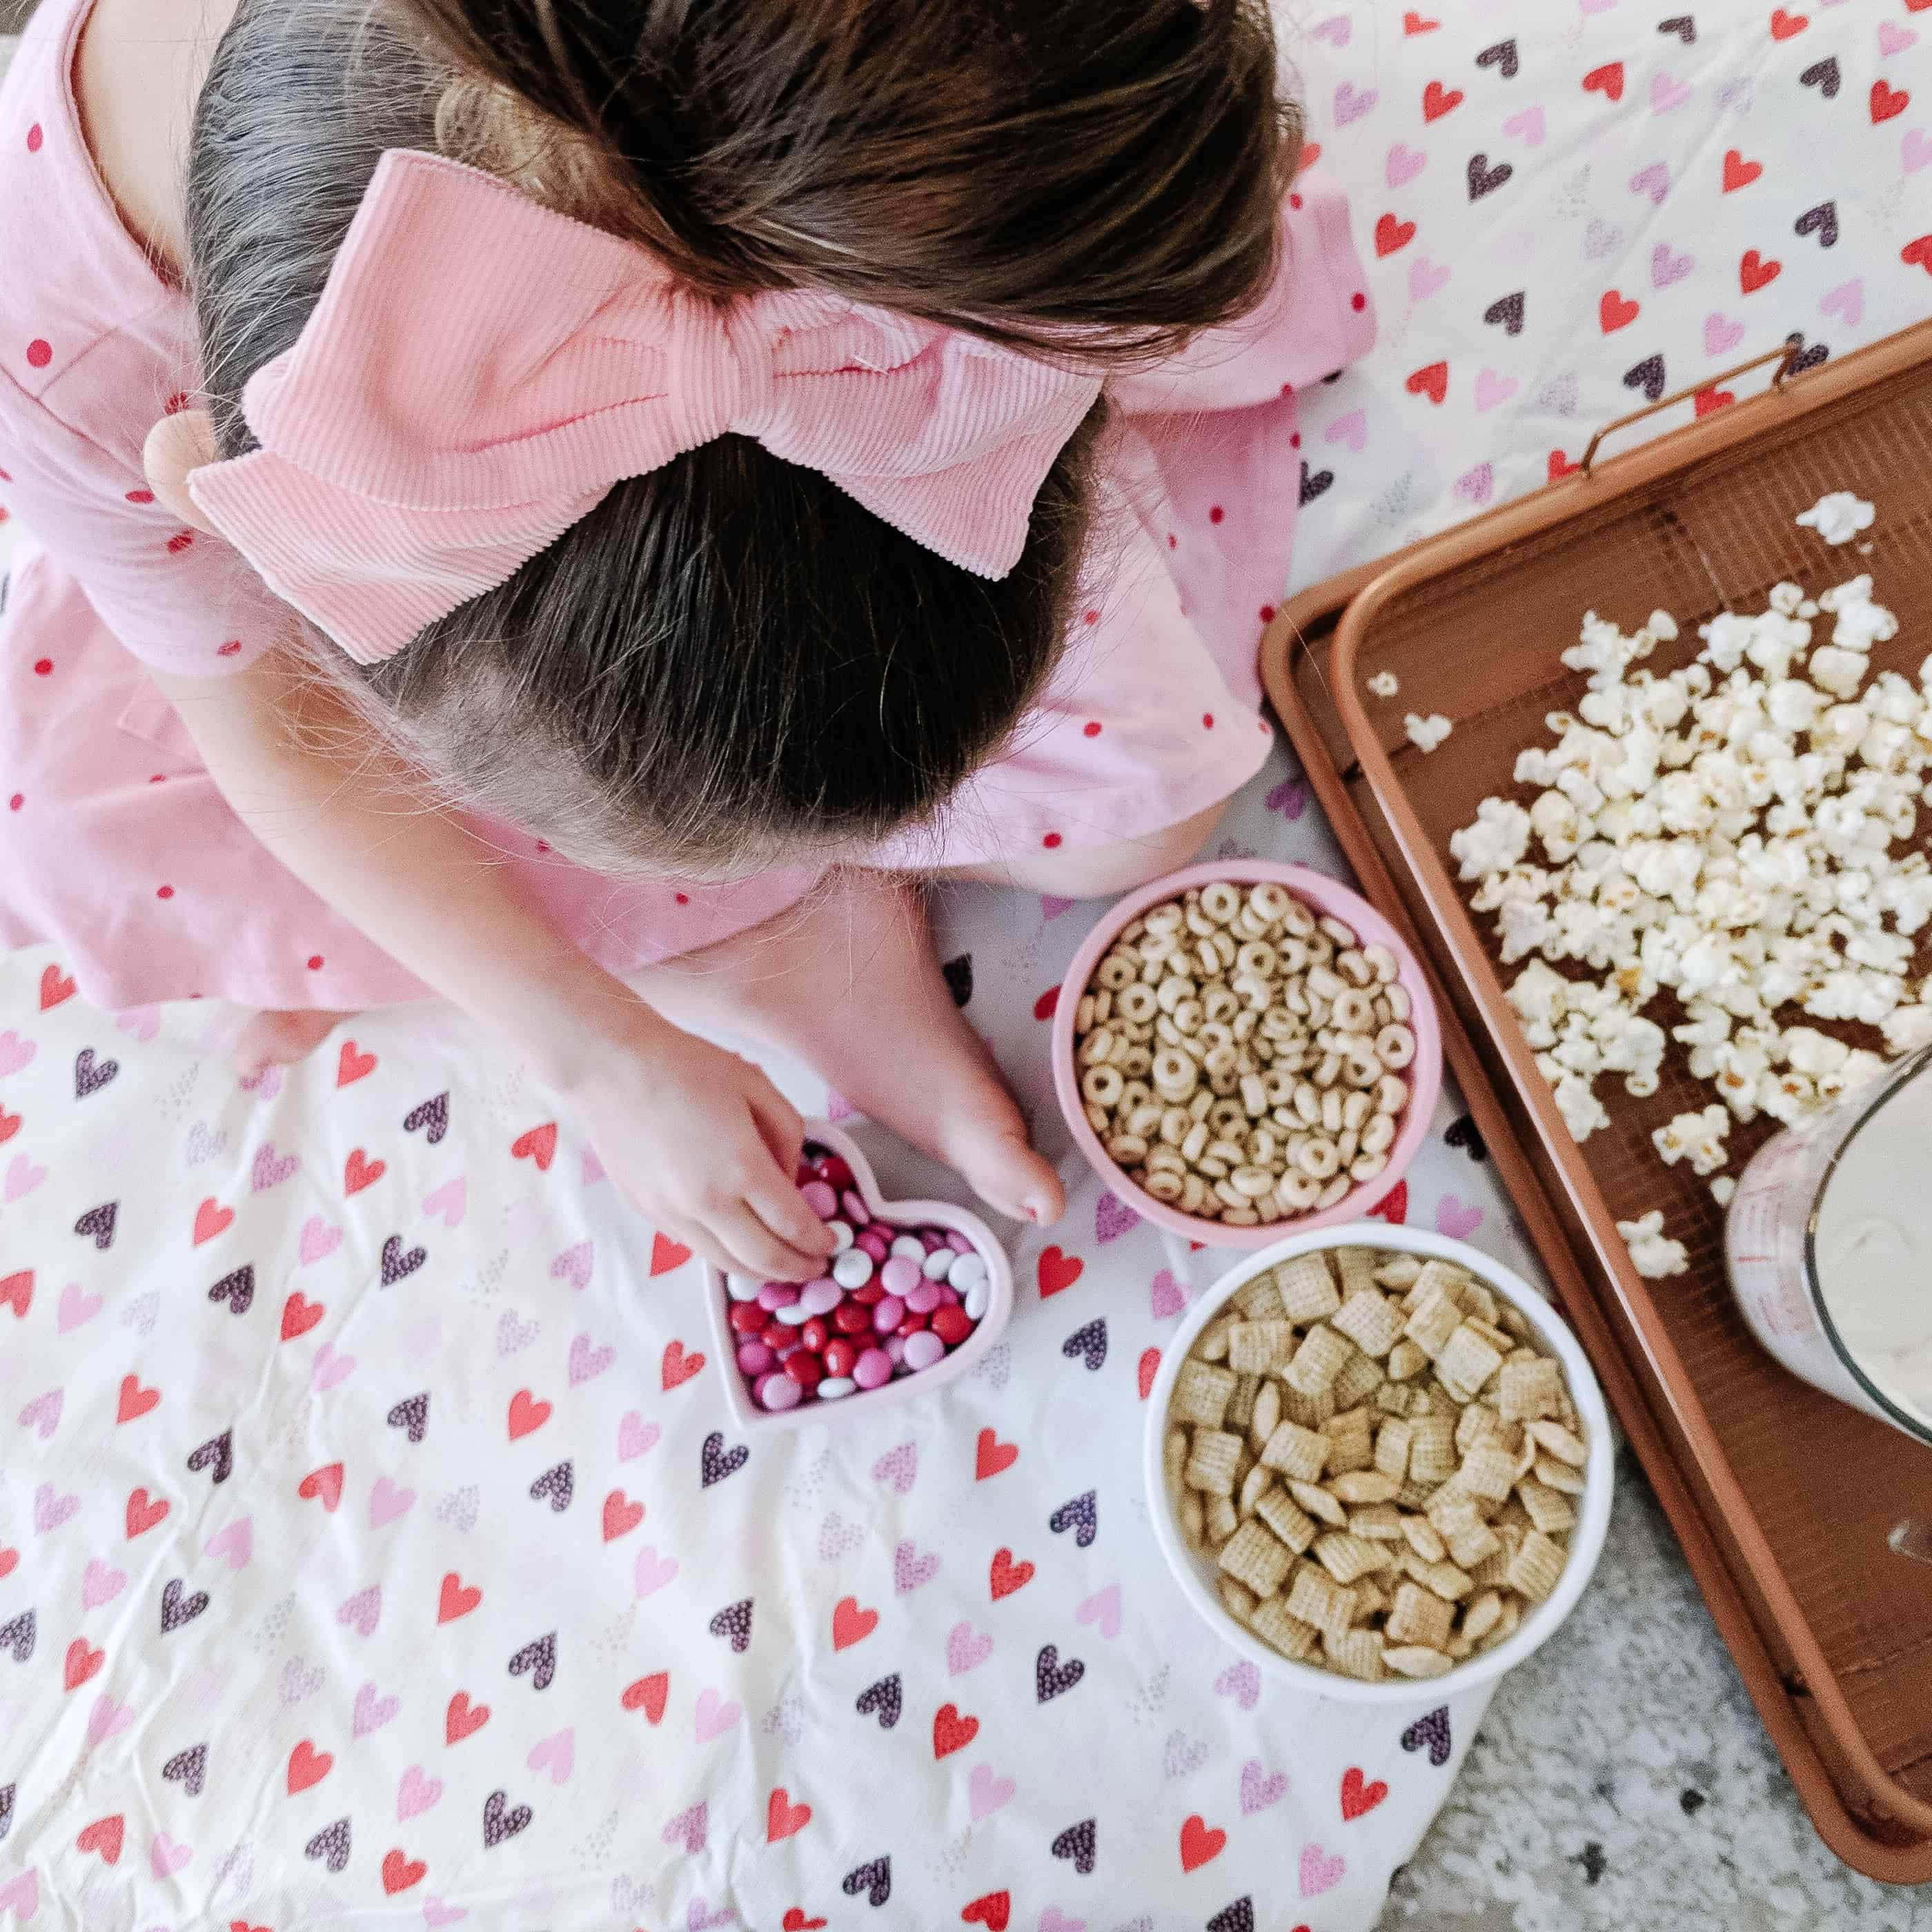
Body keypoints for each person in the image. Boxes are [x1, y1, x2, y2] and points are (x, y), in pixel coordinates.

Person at [0, 0, 1372, 1279]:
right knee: (105, 828)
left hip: (920, 180)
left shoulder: (984, 90)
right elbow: (263, 728)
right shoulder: (55, 352)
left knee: (1140, 830)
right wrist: (596, 1048)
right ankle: (757, 936)